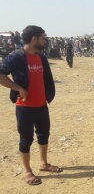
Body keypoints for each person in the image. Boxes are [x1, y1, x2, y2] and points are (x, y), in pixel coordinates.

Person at [0, 25, 62, 185]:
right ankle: (27, 171)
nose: (45, 41)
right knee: (26, 139)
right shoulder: (16, 57)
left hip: (41, 105)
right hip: (24, 107)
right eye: (43, 38)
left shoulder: (41, 57)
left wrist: (48, 95)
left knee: (43, 135)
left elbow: (46, 79)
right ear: (34, 39)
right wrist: (18, 88)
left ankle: (44, 163)